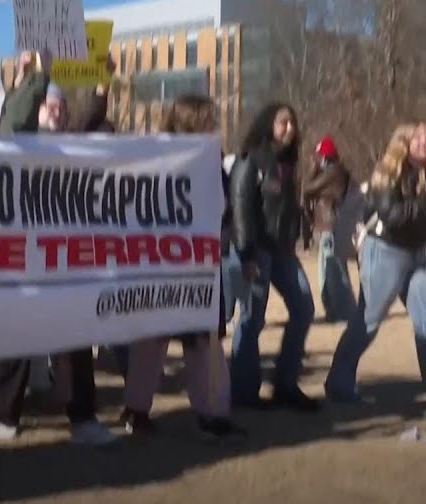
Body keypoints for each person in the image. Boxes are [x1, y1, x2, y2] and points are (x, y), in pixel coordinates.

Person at [0, 78, 119, 446]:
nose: (56, 109)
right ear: (34, 108)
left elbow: (91, 120)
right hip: (20, 253)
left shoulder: (71, 142)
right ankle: (4, 414)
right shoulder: (14, 138)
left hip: (63, 255)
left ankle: (83, 417)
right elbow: (15, 119)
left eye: (60, 104)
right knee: (14, 335)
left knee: (74, 338)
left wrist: (99, 91)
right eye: (48, 103)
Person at [117, 95, 248, 440]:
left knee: (204, 339)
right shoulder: (159, 156)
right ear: (192, 121)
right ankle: (136, 408)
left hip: (200, 262)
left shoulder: (212, 158)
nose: (214, 125)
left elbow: (221, 203)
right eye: (208, 119)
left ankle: (213, 411)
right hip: (162, 259)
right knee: (152, 337)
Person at [326, 123, 426, 404]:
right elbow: (392, 214)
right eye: (419, 138)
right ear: (407, 143)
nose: (423, 144)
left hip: (419, 253)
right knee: (368, 320)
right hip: (386, 251)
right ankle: (339, 381)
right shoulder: (389, 171)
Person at [228, 102, 320, 411]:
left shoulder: (289, 162)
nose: (290, 129)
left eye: (292, 123)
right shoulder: (250, 159)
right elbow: (240, 207)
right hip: (254, 249)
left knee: (304, 307)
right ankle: (242, 392)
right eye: (283, 123)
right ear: (269, 125)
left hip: (282, 250)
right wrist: (245, 253)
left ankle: (285, 384)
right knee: (251, 318)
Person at [302, 137, 356, 324]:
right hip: (327, 226)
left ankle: (345, 311)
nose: (317, 160)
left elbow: (308, 188)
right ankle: (335, 310)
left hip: (331, 226)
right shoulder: (332, 172)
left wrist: (312, 169)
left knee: (334, 270)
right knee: (327, 270)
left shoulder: (333, 172)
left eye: (320, 157)